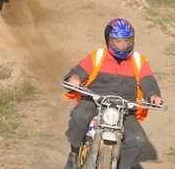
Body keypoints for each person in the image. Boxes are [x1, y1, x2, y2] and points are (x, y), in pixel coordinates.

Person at [62, 18, 163, 169]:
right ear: (109, 40)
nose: (123, 45)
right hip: (94, 100)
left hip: (125, 108)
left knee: (139, 140)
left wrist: (154, 95)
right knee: (79, 116)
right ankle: (73, 155)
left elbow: (148, 82)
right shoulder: (98, 56)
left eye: (127, 41)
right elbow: (76, 73)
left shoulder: (138, 60)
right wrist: (74, 79)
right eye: (118, 41)